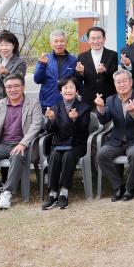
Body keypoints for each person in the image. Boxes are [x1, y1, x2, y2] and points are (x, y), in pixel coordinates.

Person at [0, 73, 43, 210]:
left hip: (24, 144)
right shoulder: (0, 104)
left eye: (16, 86)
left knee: (17, 156)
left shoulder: (33, 104)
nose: (12, 90)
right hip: (3, 144)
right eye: (9, 87)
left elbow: (36, 125)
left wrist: (23, 143)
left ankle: (7, 193)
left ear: (23, 87)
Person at [95, 70, 134, 202]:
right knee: (101, 155)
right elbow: (104, 121)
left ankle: (130, 188)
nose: (122, 84)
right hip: (117, 140)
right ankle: (118, 186)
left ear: (131, 82)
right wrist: (101, 108)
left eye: (124, 81)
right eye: (118, 82)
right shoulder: (110, 99)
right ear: (115, 85)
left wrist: (133, 111)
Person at [41, 77, 91, 210]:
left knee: (68, 155)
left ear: (76, 90)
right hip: (59, 144)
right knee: (55, 156)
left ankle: (63, 192)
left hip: (77, 144)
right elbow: (50, 130)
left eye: (71, 87)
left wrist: (75, 120)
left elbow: (84, 130)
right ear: (60, 91)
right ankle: (52, 194)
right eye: (65, 88)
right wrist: (51, 120)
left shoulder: (84, 107)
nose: (68, 90)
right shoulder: (55, 107)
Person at [33, 29, 79, 110]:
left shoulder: (73, 60)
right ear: (51, 44)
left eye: (62, 41)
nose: (59, 44)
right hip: (48, 102)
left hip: (67, 104)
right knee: (49, 122)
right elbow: (37, 80)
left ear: (66, 42)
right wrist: (42, 65)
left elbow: (77, 82)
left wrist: (81, 73)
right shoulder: (45, 59)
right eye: (56, 41)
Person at [75, 27, 118, 107]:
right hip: (89, 98)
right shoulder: (82, 57)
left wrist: (105, 71)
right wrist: (80, 73)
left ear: (104, 39)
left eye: (99, 38)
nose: (96, 41)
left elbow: (115, 76)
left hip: (108, 97)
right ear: (88, 40)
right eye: (93, 38)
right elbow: (78, 80)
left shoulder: (112, 55)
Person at [0, 30, 27, 106]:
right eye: (0, 45)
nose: (3, 48)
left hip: (13, 103)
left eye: (7, 45)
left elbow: (18, 84)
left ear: (13, 45)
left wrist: (6, 74)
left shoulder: (20, 63)